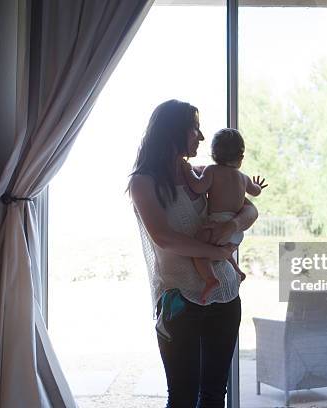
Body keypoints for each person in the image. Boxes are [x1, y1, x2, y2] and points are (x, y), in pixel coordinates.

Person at [127, 99, 258, 408]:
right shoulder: (143, 183)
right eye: (194, 129)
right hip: (178, 303)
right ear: (173, 132)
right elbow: (164, 238)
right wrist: (219, 248)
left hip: (225, 295)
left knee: (214, 396)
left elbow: (251, 209)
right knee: (183, 397)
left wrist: (233, 226)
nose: (201, 137)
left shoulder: (202, 175)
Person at [180, 128, 267, 303]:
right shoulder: (243, 178)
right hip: (236, 232)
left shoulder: (212, 171)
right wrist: (257, 186)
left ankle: (211, 279)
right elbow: (255, 192)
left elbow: (198, 187)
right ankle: (238, 270)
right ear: (240, 158)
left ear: (214, 154)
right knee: (225, 250)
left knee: (198, 248)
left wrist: (187, 169)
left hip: (217, 224)